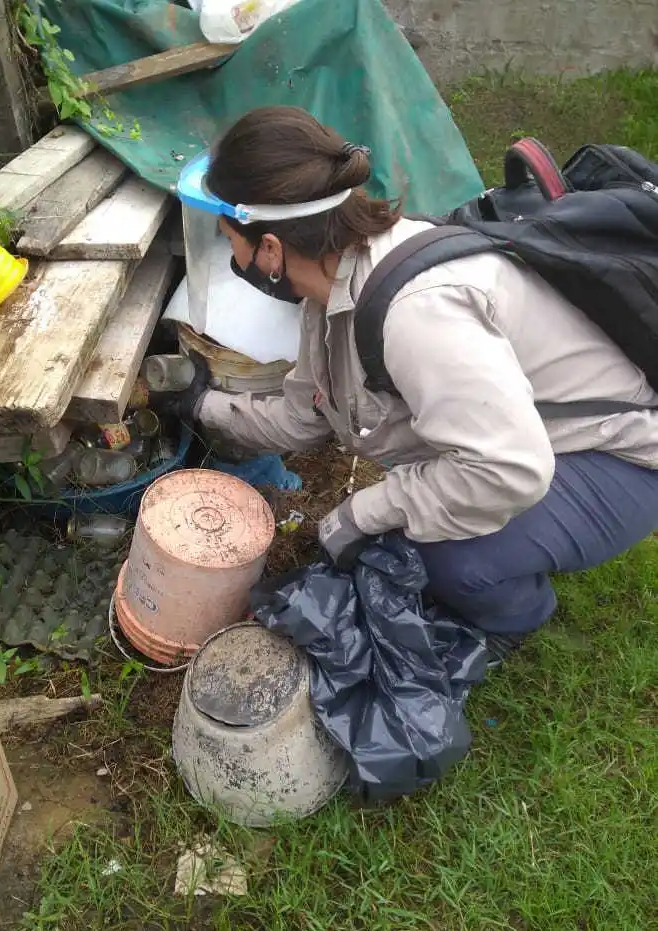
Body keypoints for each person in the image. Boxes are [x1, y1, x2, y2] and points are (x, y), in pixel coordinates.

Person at [154, 105, 658, 660]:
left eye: (233, 241)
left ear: (271, 248)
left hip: (620, 454)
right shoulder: (334, 285)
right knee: (418, 526)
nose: (235, 256)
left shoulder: (418, 313)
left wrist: (358, 514)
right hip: (525, 439)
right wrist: (200, 403)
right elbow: (307, 415)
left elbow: (508, 470)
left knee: (449, 562)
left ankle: (516, 617)